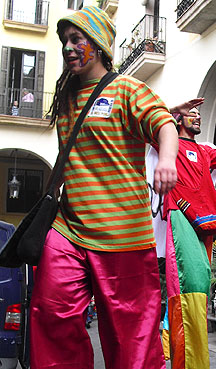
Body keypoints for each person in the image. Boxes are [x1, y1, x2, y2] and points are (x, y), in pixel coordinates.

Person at [29, 6, 180, 369]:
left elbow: (165, 125)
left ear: (97, 44)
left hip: (124, 234)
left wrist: (166, 159)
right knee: (50, 313)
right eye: (65, 40)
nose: (68, 47)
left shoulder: (127, 88)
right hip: (69, 229)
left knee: (133, 340)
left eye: (76, 38)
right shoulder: (65, 100)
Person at [162, 100, 216, 369]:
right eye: (191, 114)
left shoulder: (205, 151)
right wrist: (175, 109)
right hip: (180, 214)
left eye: (200, 114)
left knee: (199, 290)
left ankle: (197, 362)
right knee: (188, 287)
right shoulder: (169, 143)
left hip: (206, 223)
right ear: (178, 120)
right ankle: (186, 362)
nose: (197, 117)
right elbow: (153, 123)